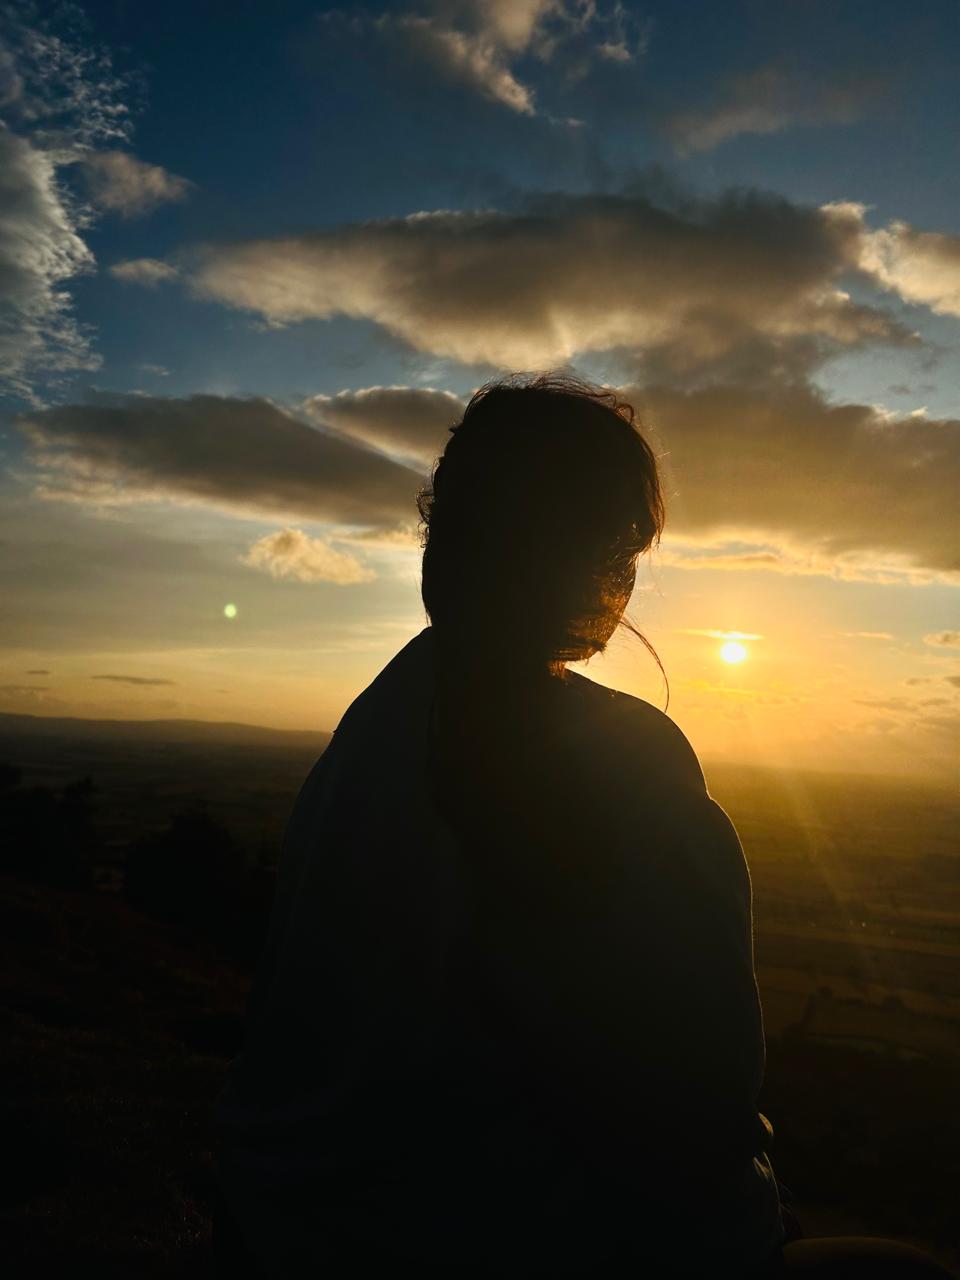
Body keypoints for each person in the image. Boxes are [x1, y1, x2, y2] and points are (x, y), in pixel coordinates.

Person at [212, 375, 956, 1278]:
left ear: (441, 538)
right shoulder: (624, 757)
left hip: (301, 1228)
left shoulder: (372, 728)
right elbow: (703, 1105)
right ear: (606, 562)